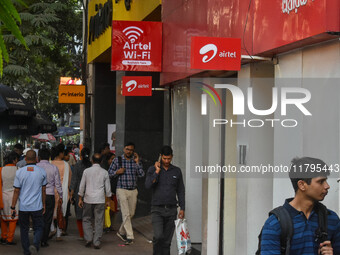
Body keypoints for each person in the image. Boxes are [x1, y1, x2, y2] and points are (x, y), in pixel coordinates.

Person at [260, 157, 340, 255]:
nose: (327, 186)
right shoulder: (275, 224)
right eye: (321, 181)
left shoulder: (332, 219)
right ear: (302, 185)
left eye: (326, 181)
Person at [145, 146, 185, 255]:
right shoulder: (152, 169)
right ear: (160, 157)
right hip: (157, 209)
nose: (166, 161)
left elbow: (180, 190)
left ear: (172, 157)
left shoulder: (176, 171)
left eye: (169, 159)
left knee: (167, 241)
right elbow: (148, 185)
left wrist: (182, 208)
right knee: (158, 236)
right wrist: (157, 172)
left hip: (172, 210)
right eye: (164, 159)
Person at [11, 150, 47, 255]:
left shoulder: (19, 172)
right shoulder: (41, 171)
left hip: (24, 207)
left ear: (25, 158)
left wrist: (13, 206)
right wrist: (43, 204)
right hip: (37, 206)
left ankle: (26, 251)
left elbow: (16, 191)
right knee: (39, 227)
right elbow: (43, 190)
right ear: (36, 159)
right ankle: (35, 244)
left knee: (24, 229)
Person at [108, 142, 144, 245]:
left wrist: (137, 163)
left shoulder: (135, 161)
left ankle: (121, 231)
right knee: (126, 214)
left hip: (133, 190)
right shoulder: (117, 160)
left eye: (131, 150)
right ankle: (130, 236)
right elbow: (109, 174)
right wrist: (117, 172)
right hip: (121, 189)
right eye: (127, 149)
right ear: (124, 149)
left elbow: (141, 174)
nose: (129, 151)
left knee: (131, 213)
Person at [78, 153, 111, 249]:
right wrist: (108, 200)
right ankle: (96, 242)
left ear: (92, 160)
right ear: (101, 161)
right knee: (99, 220)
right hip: (100, 199)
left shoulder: (86, 171)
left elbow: (82, 186)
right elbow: (108, 189)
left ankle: (88, 238)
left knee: (86, 218)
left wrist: (80, 198)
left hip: (88, 198)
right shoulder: (105, 172)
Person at [36, 148, 63, 247]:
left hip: (38, 196)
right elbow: (58, 184)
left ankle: (37, 238)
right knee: (48, 218)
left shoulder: (36, 167)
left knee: (38, 217)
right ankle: (44, 240)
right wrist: (61, 195)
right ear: (49, 157)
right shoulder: (53, 168)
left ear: (39, 157)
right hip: (50, 195)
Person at [70, 147, 92, 240]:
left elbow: (74, 180)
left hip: (79, 192)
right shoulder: (91, 165)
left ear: (81, 155)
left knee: (79, 214)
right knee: (89, 214)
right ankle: (89, 233)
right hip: (91, 191)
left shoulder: (77, 165)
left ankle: (82, 234)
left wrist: (71, 194)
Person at [51, 144, 72, 240]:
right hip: (63, 191)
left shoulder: (50, 164)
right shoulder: (66, 165)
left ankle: (52, 228)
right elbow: (69, 180)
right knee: (61, 212)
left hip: (51, 190)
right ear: (60, 153)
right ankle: (59, 234)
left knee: (51, 211)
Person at [0, 152, 19, 245]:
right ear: (14, 160)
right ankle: (10, 239)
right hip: (14, 196)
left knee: (3, 218)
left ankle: (3, 236)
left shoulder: (1, 169)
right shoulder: (18, 170)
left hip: (3, 196)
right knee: (13, 218)